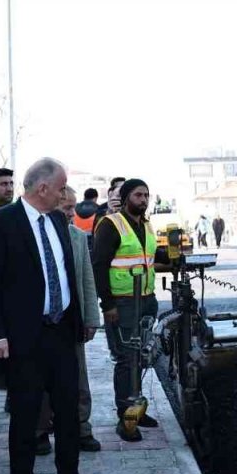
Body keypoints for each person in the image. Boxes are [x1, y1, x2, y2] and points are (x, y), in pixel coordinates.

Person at [0, 157, 98, 474]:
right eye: (61, 188)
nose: (64, 195)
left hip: (61, 332)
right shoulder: (2, 224)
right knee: (26, 413)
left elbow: (67, 272)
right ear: (43, 188)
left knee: (67, 406)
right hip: (23, 336)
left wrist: (80, 319)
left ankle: (69, 473)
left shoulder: (60, 221)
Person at [92, 178, 160, 441]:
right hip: (122, 302)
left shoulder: (145, 224)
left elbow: (147, 257)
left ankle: (137, 409)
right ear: (126, 196)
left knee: (141, 357)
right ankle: (126, 417)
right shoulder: (111, 225)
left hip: (146, 298)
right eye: (138, 195)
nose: (143, 200)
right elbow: (99, 266)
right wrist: (107, 304)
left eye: (146, 195)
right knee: (126, 359)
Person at [38, 186, 102, 454]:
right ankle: (39, 432)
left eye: (73, 207)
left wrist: (90, 318)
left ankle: (81, 429)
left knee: (78, 379)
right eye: (66, 207)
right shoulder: (35, 235)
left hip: (72, 322)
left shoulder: (77, 236)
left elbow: (87, 278)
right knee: (40, 382)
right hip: (40, 324)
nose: (72, 213)